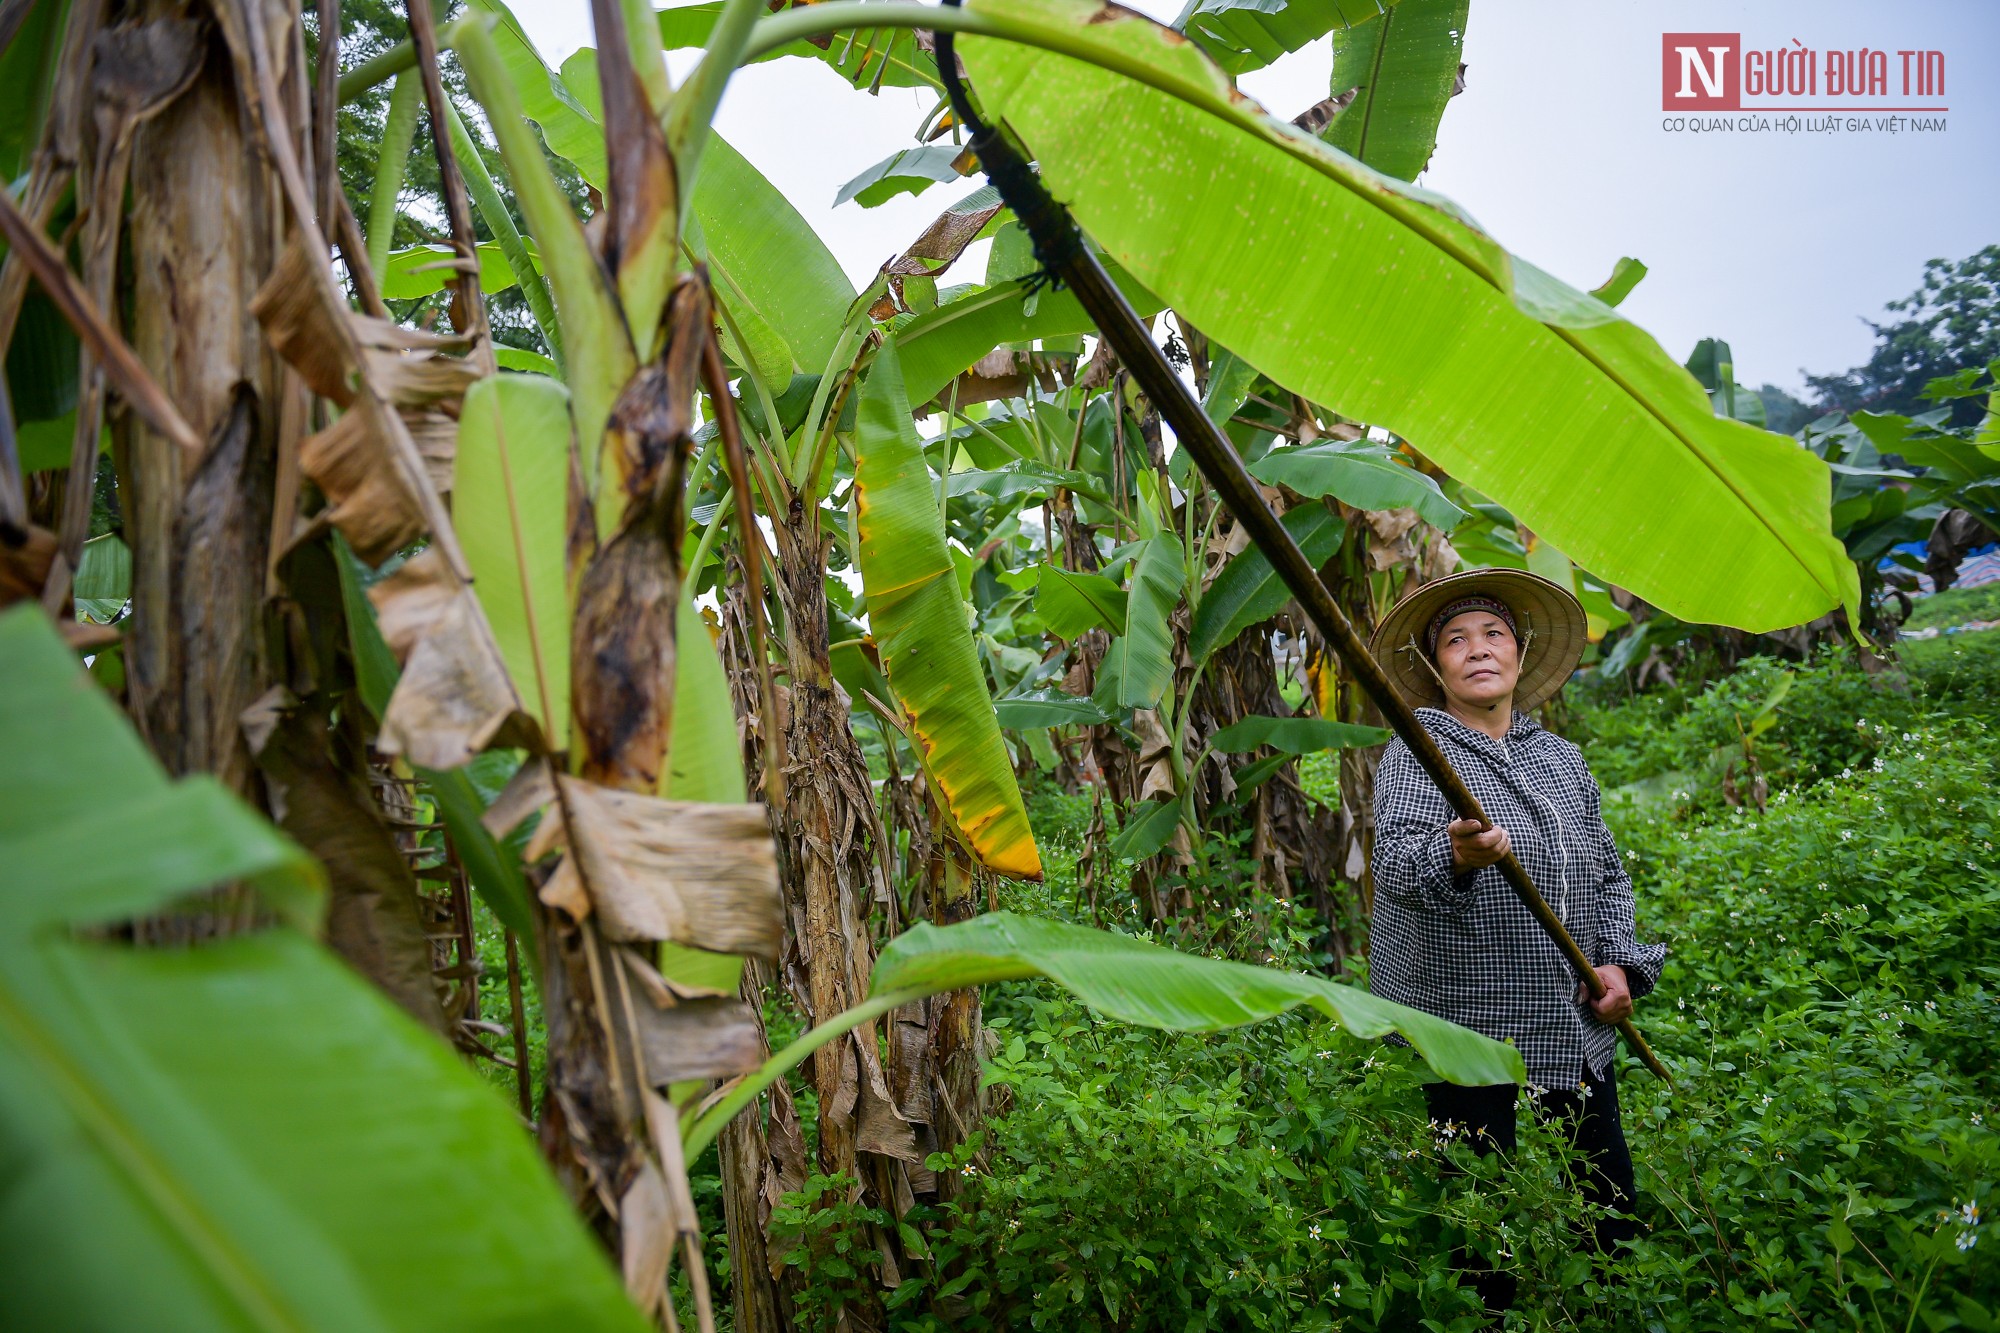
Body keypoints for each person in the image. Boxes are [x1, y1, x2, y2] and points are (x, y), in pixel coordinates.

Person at [1365, 568, 1666, 1314]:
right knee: (1479, 1209)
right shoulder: (1418, 753)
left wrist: (1621, 962)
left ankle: (1616, 1308)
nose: (1477, 650)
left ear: (1520, 654)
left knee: (1609, 1197)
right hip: (1467, 1014)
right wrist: (1455, 854)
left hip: (1569, 1008)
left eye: (1493, 634)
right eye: (1456, 640)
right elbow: (1398, 867)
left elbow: (1605, 872)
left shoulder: (1560, 759)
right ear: (1437, 667)